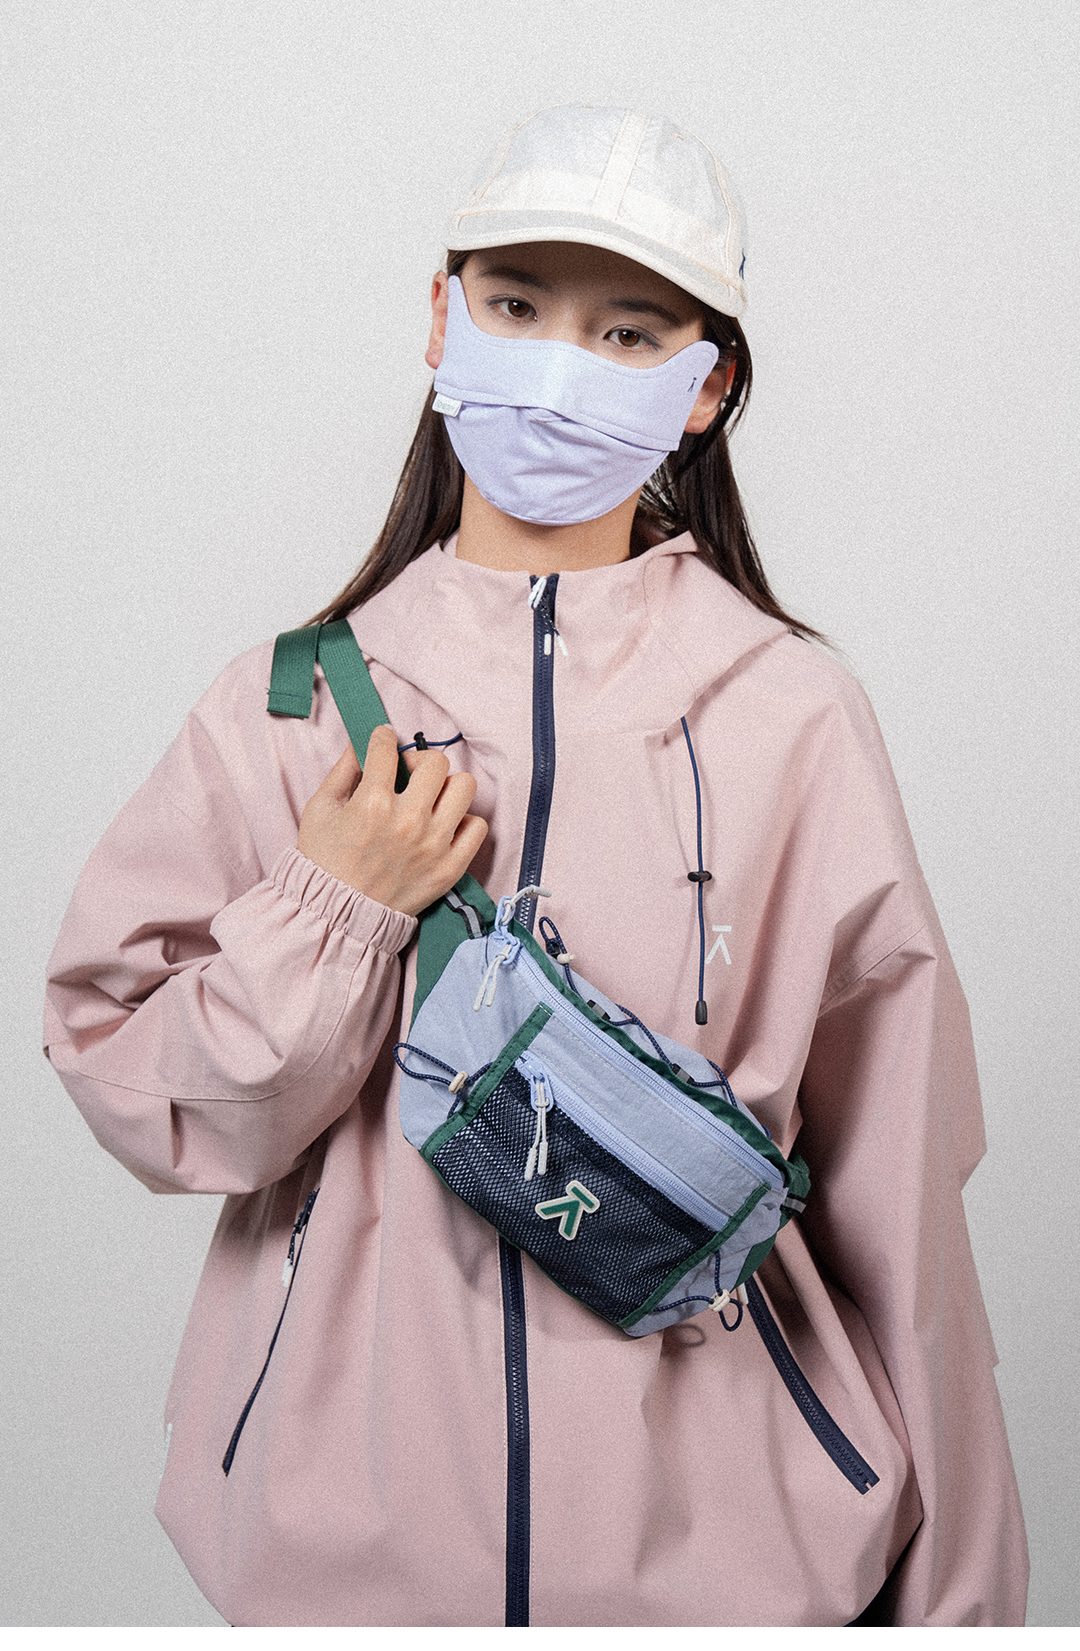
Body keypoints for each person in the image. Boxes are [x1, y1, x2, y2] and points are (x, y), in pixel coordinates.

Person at [43, 104, 1028, 1627]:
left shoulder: (793, 715)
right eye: (515, 306)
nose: (561, 369)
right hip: (337, 1565)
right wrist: (333, 911)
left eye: (628, 333)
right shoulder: (286, 707)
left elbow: (901, 1189)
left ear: (707, 388)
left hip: (731, 1565)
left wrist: (965, 1613)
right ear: (443, 319)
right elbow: (147, 1099)